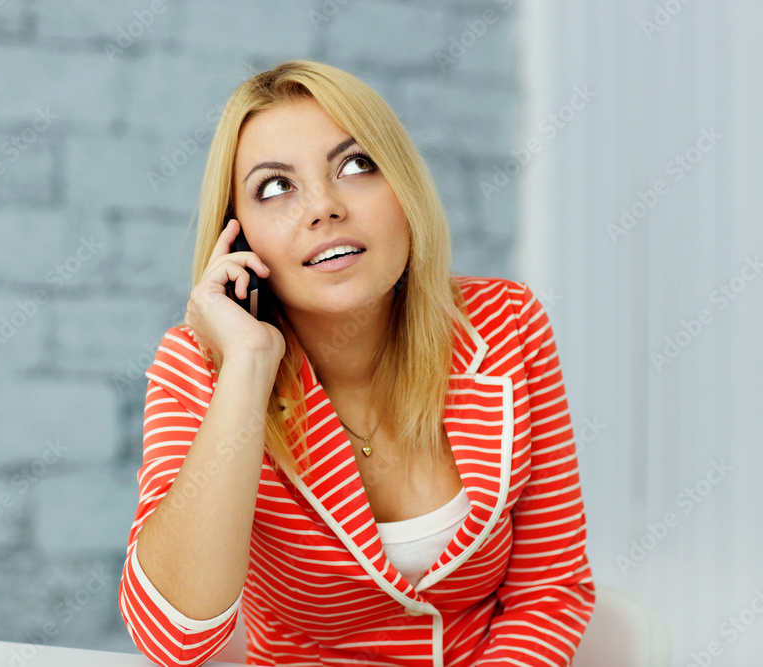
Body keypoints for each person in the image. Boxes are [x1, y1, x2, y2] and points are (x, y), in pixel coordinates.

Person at [118, 59, 595, 667]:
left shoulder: (508, 323)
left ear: (404, 189)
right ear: (239, 240)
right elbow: (172, 641)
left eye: (356, 165)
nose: (323, 207)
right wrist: (248, 365)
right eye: (275, 187)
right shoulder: (202, 367)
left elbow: (549, 590)